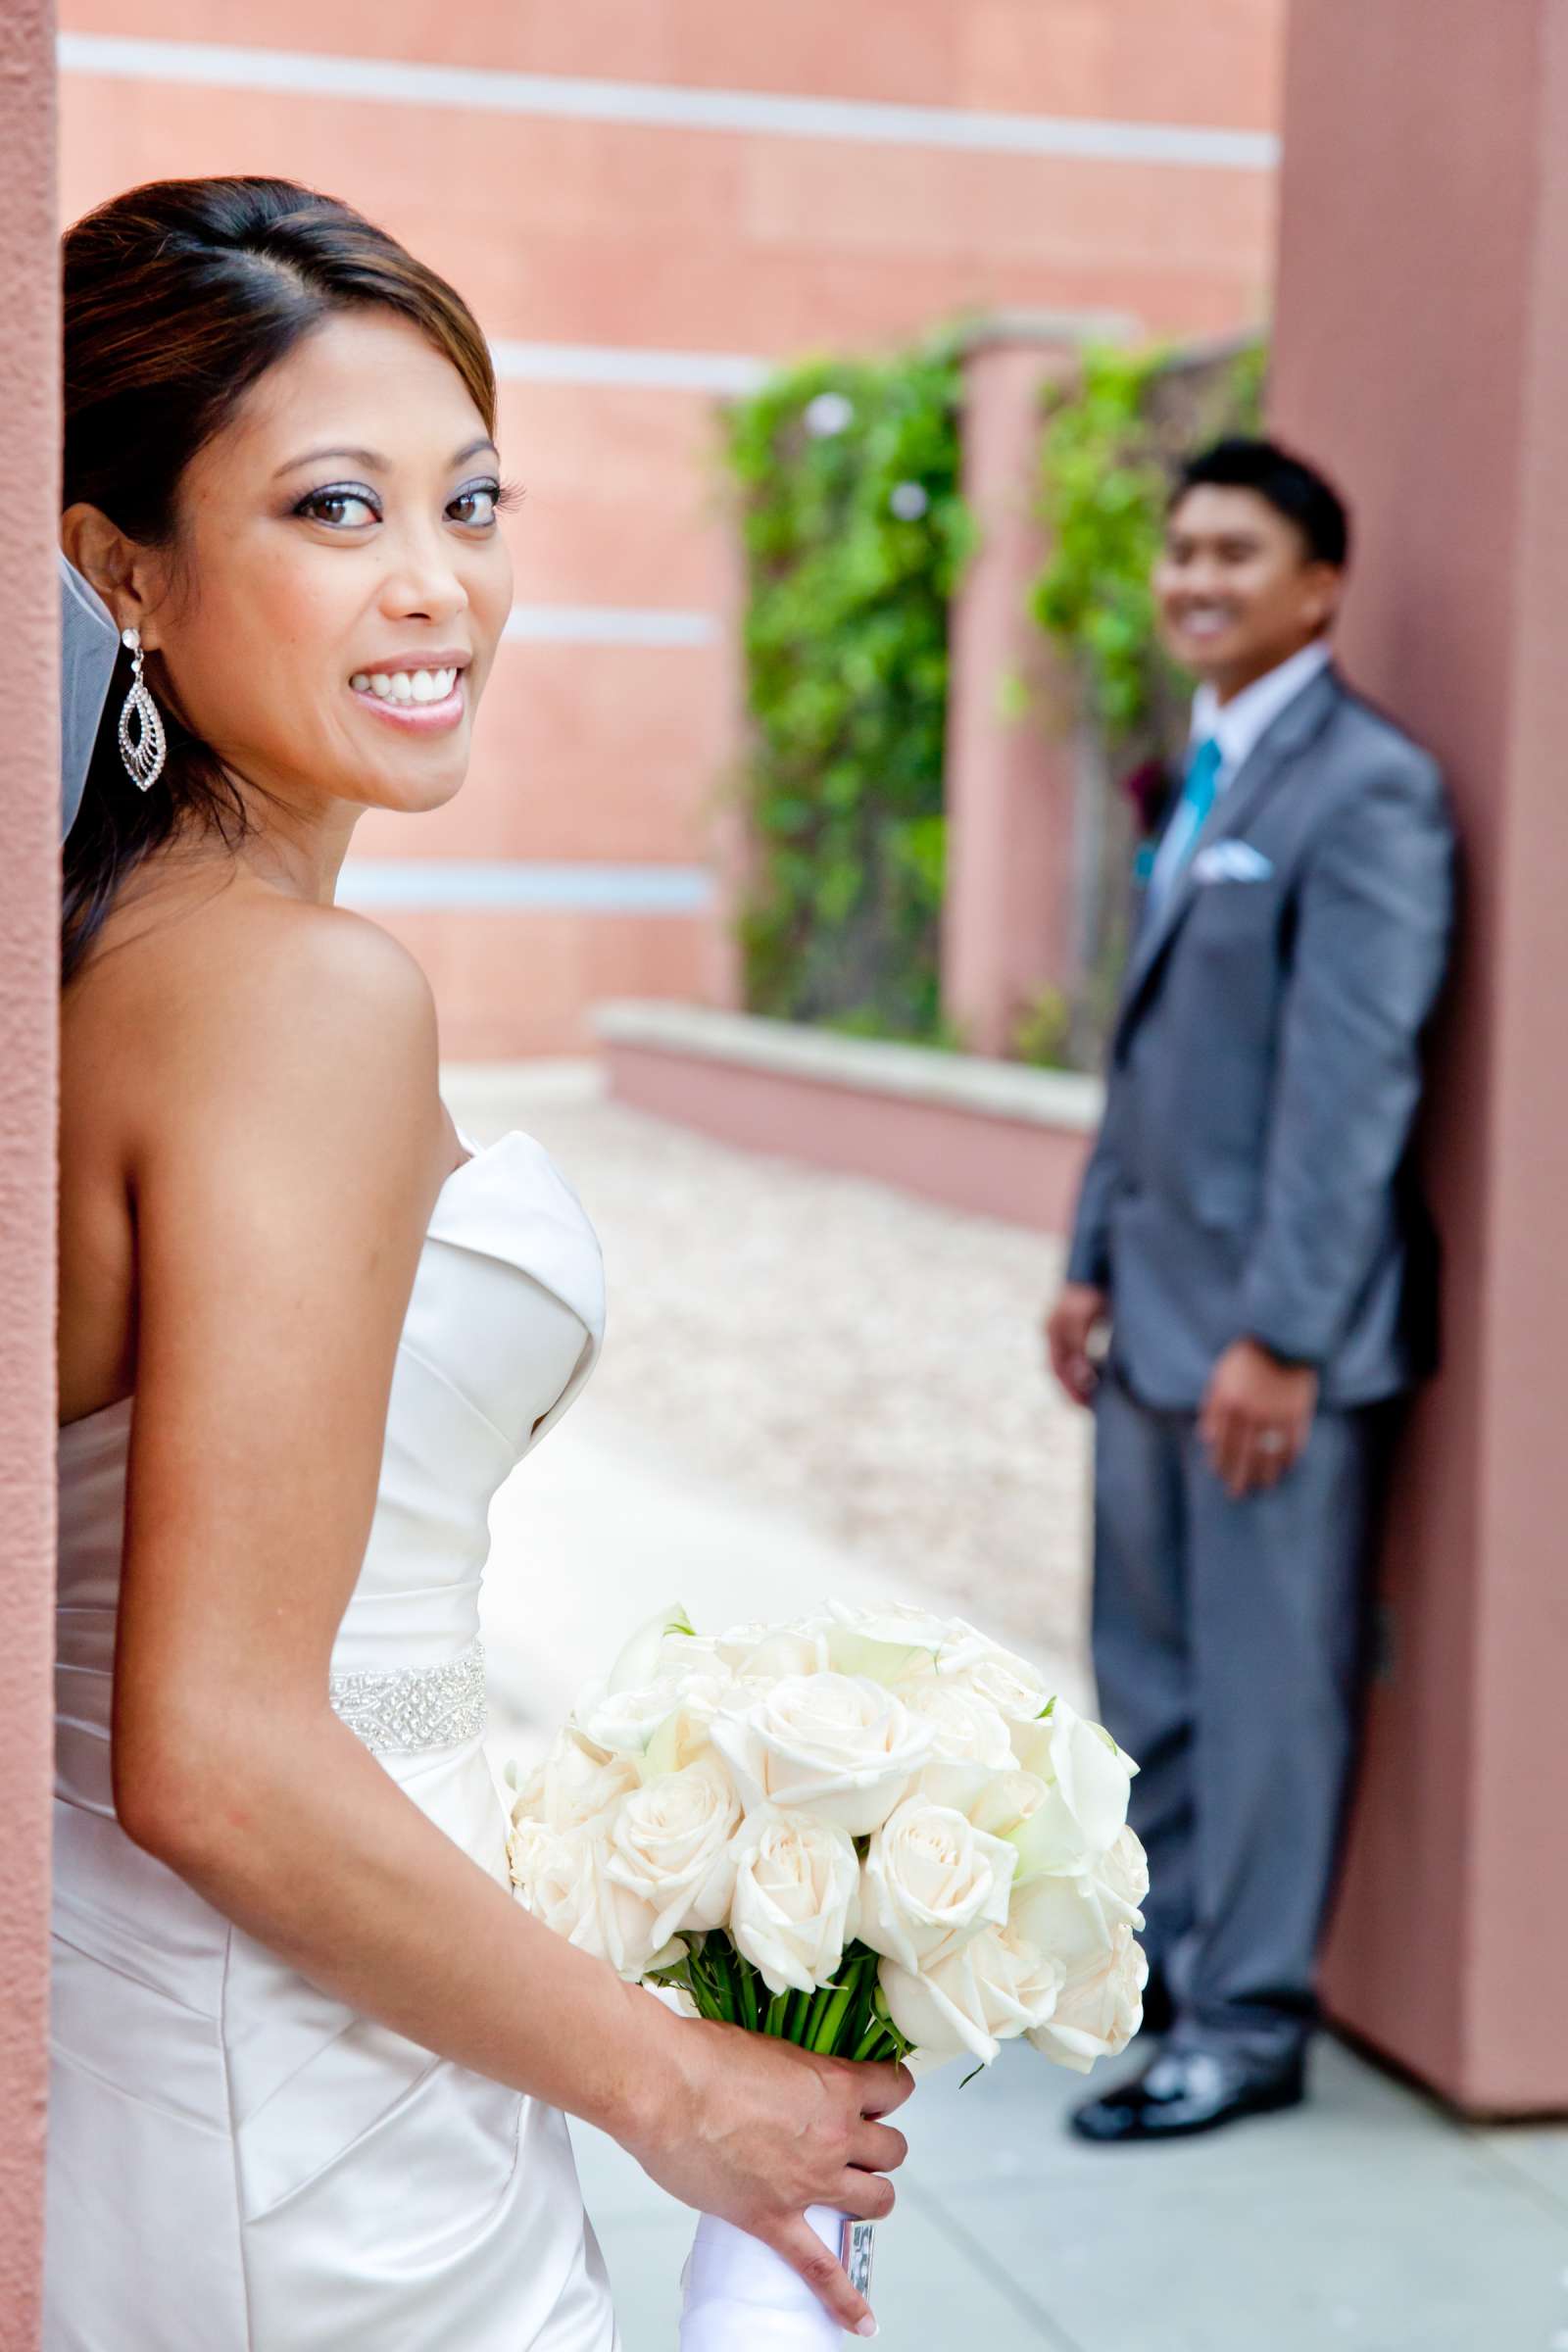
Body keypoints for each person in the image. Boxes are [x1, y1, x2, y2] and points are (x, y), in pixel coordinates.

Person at [52, 176, 907, 2348]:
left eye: (472, 497)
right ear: (115, 563)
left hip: (260, 2015)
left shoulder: (113, 965)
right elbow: (220, 1751)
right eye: (334, 510)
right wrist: (679, 2089)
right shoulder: (291, 996)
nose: (437, 584)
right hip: (292, 2086)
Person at [1045, 437, 1455, 2143]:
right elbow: (1154, 1061)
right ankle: (1168, 1976)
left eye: (1235, 552)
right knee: (1150, 1678)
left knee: (1270, 1688)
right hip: (1151, 1315)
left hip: (1270, 1346)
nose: (1195, 580)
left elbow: (1350, 1089)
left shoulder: (1368, 792)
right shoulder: (1203, 771)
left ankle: (1251, 2025)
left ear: (1320, 586)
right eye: (1179, 551)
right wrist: (1085, 1259)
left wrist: (1282, 1336)